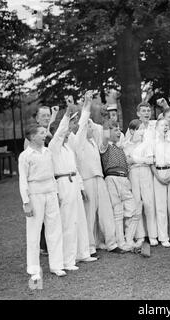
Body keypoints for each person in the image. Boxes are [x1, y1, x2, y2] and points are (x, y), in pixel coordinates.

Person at [70, 91, 123, 255]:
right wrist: (87, 102)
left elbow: (106, 133)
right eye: (88, 126)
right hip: (86, 180)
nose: (91, 128)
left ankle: (111, 243)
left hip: (99, 178)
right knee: (89, 214)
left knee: (106, 210)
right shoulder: (76, 141)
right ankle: (90, 246)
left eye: (92, 126)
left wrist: (106, 115)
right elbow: (84, 119)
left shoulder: (93, 141)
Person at [49, 104, 97, 271]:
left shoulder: (68, 147)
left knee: (80, 219)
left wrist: (82, 187)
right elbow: (61, 131)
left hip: (74, 182)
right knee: (68, 222)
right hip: (62, 184)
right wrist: (66, 115)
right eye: (66, 128)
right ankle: (67, 261)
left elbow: (75, 168)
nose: (69, 130)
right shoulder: (53, 147)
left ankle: (82, 253)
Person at [18, 124, 66, 280]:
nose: (44, 135)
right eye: (41, 133)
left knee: (54, 229)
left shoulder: (47, 152)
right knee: (33, 232)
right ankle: (33, 270)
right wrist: (26, 202)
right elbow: (23, 180)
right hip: (35, 194)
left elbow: (52, 175)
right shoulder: (25, 156)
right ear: (32, 137)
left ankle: (57, 265)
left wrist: (56, 193)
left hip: (51, 192)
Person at [100, 120, 142, 252]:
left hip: (124, 179)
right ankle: (120, 242)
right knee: (117, 213)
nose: (119, 132)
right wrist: (107, 124)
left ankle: (129, 240)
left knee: (134, 210)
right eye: (115, 130)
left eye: (119, 129)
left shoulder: (121, 148)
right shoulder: (105, 146)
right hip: (112, 179)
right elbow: (105, 137)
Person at [24, 105, 59, 256]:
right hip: (37, 184)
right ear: (37, 118)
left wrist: (54, 114)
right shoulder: (33, 137)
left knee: (51, 215)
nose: (46, 118)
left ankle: (49, 244)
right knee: (39, 217)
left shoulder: (47, 132)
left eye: (48, 115)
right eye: (43, 115)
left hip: (52, 179)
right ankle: (41, 247)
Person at [123, 119, 158, 247]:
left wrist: (135, 160)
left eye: (144, 129)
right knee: (137, 204)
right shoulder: (126, 145)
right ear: (132, 131)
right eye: (139, 129)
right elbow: (127, 161)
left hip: (145, 173)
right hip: (133, 174)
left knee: (149, 203)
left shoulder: (146, 144)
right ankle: (140, 235)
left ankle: (153, 235)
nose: (142, 132)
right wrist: (133, 161)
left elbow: (150, 160)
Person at [149, 119, 170, 247]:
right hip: (159, 174)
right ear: (156, 127)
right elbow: (151, 163)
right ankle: (163, 236)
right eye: (162, 125)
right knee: (161, 206)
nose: (165, 127)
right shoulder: (153, 143)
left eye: (167, 125)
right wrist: (159, 178)